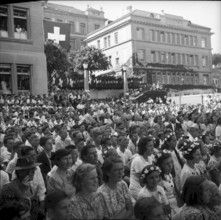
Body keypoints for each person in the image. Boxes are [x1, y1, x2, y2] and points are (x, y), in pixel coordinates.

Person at [155, 150, 181, 216]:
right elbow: (161, 198)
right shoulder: (159, 180)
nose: (170, 166)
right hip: (167, 206)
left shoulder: (169, 174)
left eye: (171, 162)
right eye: (167, 164)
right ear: (160, 165)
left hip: (175, 202)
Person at [129, 136, 154, 203]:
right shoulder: (138, 160)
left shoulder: (149, 158)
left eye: (153, 145)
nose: (152, 148)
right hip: (137, 189)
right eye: (150, 146)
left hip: (146, 187)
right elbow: (143, 181)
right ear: (143, 147)